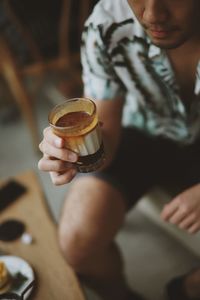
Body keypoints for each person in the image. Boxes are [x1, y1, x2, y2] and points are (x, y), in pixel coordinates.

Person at [38, 0, 200, 299]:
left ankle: (189, 286)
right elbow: (107, 134)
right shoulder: (106, 24)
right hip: (145, 132)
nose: (152, 16)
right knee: (77, 239)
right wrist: (76, 151)